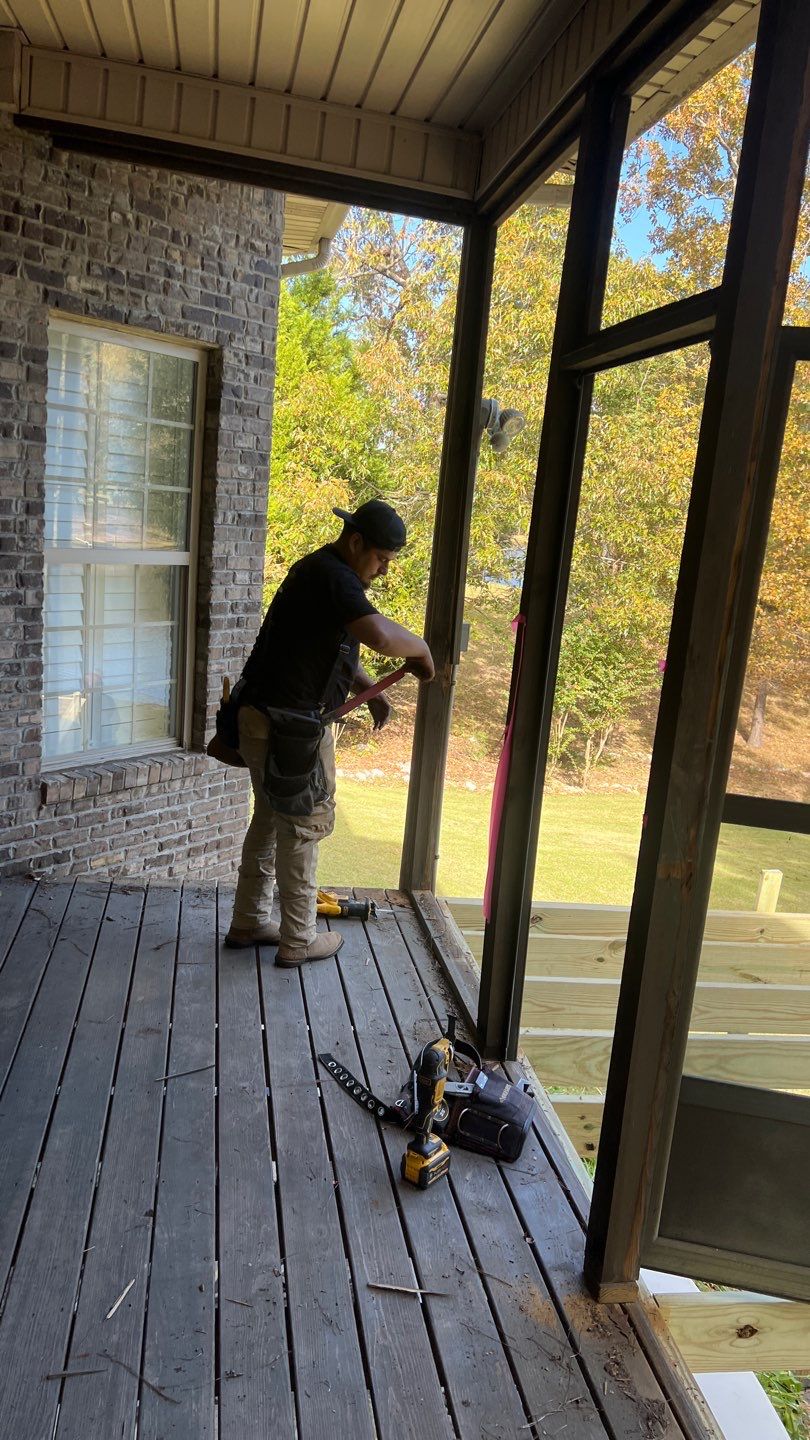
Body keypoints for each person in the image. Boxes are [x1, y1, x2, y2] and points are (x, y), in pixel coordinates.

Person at [225, 500, 434, 965]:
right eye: (380, 558)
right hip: (289, 729)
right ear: (355, 541)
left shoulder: (319, 573)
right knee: (302, 827)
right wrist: (420, 649)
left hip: (261, 718)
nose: (381, 570)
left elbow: (320, 650)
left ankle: (249, 920)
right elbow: (378, 634)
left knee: (269, 820)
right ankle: (298, 939)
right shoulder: (335, 576)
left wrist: (368, 690)